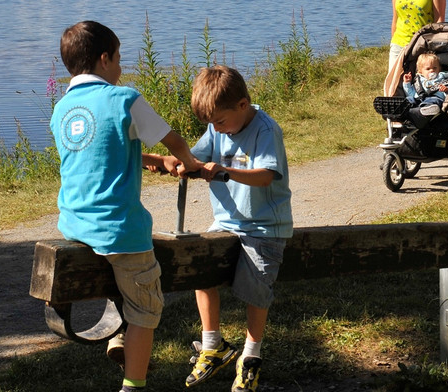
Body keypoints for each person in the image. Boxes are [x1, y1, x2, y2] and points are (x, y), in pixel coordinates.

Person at [50, 21, 206, 392]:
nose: (121, 66)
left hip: (75, 224)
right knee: (146, 310)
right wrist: (189, 162)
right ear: (104, 59)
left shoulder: (62, 109)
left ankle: (119, 337)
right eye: (119, 58)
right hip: (118, 230)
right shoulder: (123, 99)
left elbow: (99, 155)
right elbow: (174, 139)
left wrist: (152, 160)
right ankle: (133, 385)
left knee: (124, 283)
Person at [183, 65, 293, 391]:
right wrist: (175, 162)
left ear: (243, 105)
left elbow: (266, 176)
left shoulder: (265, 130)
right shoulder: (217, 128)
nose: (216, 129)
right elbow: (195, 159)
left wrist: (224, 171)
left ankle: (250, 356)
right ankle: (213, 345)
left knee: (256, 290)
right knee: (201, 271)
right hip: (226, 222)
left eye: (220, 121)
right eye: (211, 123)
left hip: (264, 226)